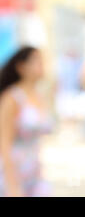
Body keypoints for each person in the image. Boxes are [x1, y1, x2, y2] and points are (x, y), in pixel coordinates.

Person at [0, 46, 52, 197]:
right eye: (37, 61)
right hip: (13, 171)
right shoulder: (12, 98)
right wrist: (12, 186)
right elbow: (4, 142)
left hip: (35, 172)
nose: (42, 65)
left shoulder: (39, 96)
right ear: (21, 67)